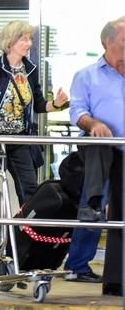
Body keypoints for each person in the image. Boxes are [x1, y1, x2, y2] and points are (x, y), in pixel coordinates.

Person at [0, 21, 69, 205]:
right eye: (24, 39)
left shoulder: (30, 70)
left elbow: (38, 104)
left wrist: (56, 104)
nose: (29, 43)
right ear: (10, 42)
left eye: (30, 39)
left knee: (29, 189)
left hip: (19, 139)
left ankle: (27, 231)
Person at [64, 17, 124, 294]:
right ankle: (77, 266)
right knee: (94, 202)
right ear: (107, 43)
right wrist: (94, 124)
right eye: (124, 39)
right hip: (100, 149)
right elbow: (77, 111)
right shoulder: (87, 75)